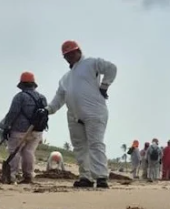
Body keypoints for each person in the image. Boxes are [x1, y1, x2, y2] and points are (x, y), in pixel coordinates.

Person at [46, 40, 117, 189]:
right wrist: (47, 110)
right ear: (64, 58)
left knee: (96, 144)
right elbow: (59, 98)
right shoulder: (65, 78)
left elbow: (111, 68)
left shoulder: (91, 63)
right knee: (79, 147)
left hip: (94, 112)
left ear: (79, 51)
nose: (70, 56)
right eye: (67, 55)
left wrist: (104, 86)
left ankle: (101, 178)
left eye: (73, 53)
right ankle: (86, 177)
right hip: (74, 116)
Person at [0, 72, 47, 184]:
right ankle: (28, 176)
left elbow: (12, 113)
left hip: (19, 130)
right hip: (36, 131)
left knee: (14, 152)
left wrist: (6, 127)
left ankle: (11, 176)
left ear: (22, 85)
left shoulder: (20, 97)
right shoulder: (42, 98)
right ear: (33, 84)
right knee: (29, 152)